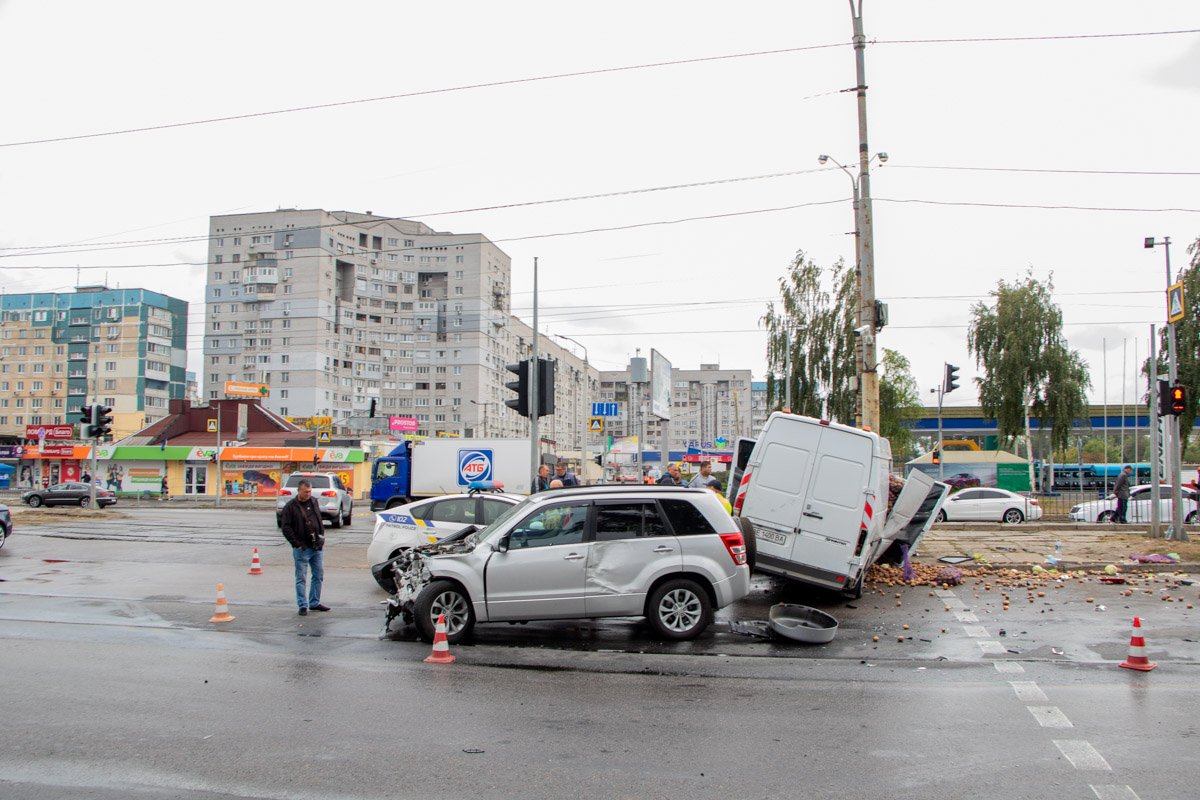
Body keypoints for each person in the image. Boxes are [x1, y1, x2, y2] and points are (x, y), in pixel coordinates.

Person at [280, 479, 330, 616]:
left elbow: (318, 520)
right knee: (301, 577)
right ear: (299, 490)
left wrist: (321, 537)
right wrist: (296, 543)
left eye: (310, 491)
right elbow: (286, 527)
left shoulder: (313, 501)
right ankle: (302, 605)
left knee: (318, 575)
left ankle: (314, 602)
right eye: (306, 491)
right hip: (302, 549)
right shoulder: (291, 507)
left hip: (316, 547)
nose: (308, 494)